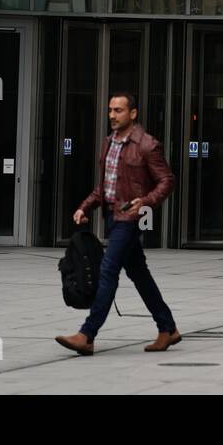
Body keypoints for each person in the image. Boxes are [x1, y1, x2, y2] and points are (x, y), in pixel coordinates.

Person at [55, 93, 178, 356]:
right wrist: (84, 206)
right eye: (110, 110)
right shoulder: (108, 143)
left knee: (108, 271)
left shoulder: (147, 145)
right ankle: (167, 328)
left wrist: (144, 202)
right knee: (139, 274)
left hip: (130, 218)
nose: (112, 115)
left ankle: (87, 335)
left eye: (119, 110)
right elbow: (105, 186)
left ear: (133, 113)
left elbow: (167, 181)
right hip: (112, 216)